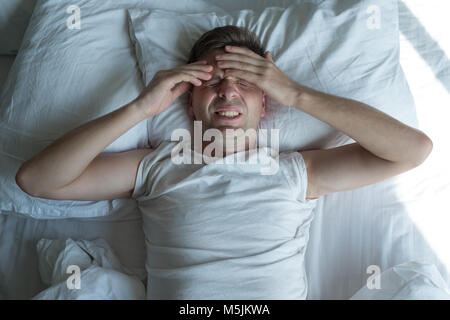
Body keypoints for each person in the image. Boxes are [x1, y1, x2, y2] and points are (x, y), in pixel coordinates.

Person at [15, 26, 433, 299]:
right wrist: (142, 108)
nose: (228, 90)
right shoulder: (156, 167)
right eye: (212, 80)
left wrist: (297, 94)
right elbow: (36, 180)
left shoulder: (295, 172)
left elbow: (413, 149)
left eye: (246, 81)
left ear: (265, 101)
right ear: (190, 102)